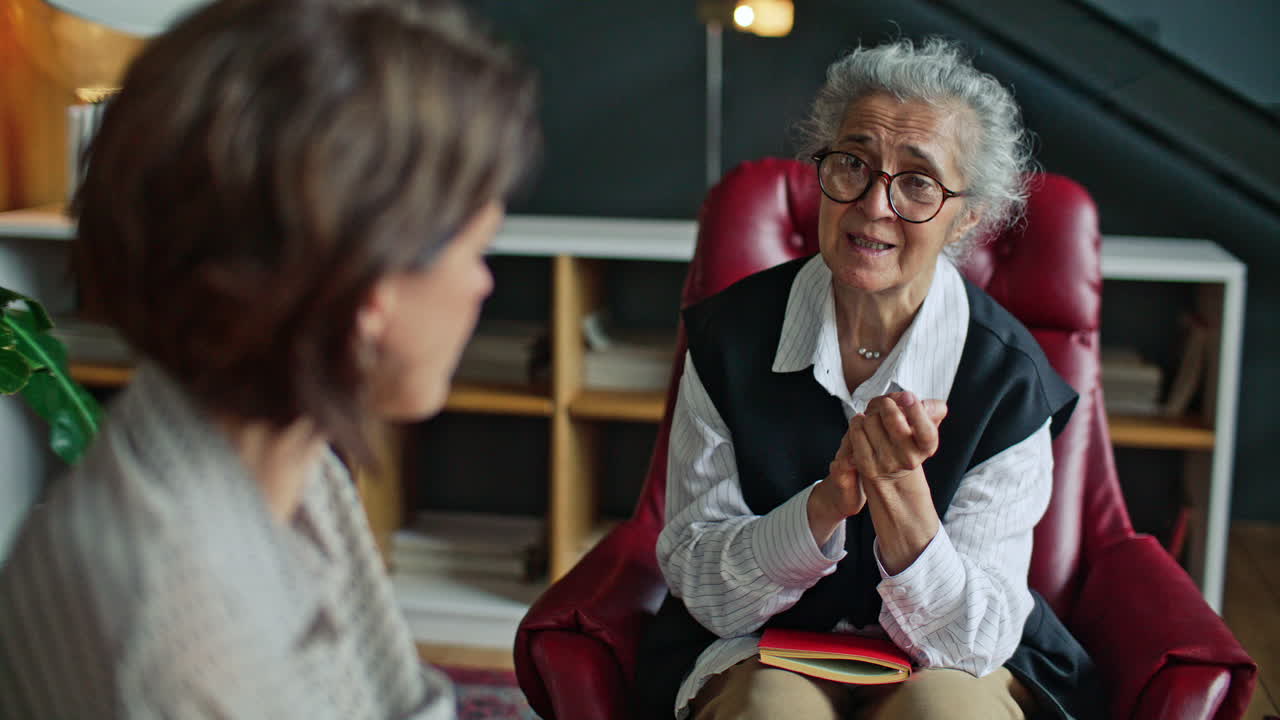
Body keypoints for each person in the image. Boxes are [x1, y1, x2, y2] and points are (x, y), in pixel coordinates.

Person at [0, 0, 538, 717]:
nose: (483, 284)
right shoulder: (171, 639)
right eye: (477, 249)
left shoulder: (289, 455)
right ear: (369, 289)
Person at [637, 37, 1100, 720]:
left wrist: (899, 494)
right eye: (853, 163)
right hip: (760, 647)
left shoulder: (1010, 379)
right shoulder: (727, 338)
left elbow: (975, 638)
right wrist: (824, 506)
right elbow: (702, 580)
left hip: (950, 661)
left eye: (918, 181)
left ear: (968, 217)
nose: (874, 204)